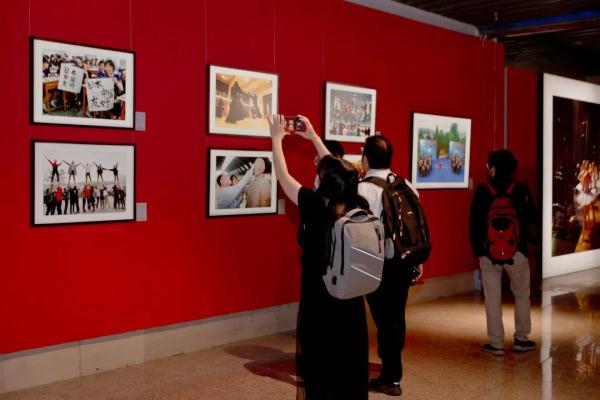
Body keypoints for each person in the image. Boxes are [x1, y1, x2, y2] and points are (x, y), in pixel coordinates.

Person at [269, 113, 369, 400]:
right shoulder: (356, 202)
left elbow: (283, 176)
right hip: (350, 300)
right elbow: (343, 170)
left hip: (319, 298)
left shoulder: (314, 205)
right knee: (347, 363)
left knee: (320, 365)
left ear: (324, 181)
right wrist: (313, 136)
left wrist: (276, 139)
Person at [358, 135, 422, 396]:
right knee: (396, 313)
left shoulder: (362, 189)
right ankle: (391, 366)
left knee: (384, 318)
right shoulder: (406, 184)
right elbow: (415, 227)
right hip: (404, 261)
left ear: (366, 158)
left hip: (377, 263)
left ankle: (391, 375)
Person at [469, 149, 537, 356]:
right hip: (517, 251)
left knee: (492, 298)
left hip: (488, 253)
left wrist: (479, 250)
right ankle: (521, 339)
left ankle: (496, 343)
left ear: (494, 168)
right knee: (522, 295)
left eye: (489, 165)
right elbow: (531, 219)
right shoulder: (521, 189)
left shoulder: (482, 190)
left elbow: (474, 223)